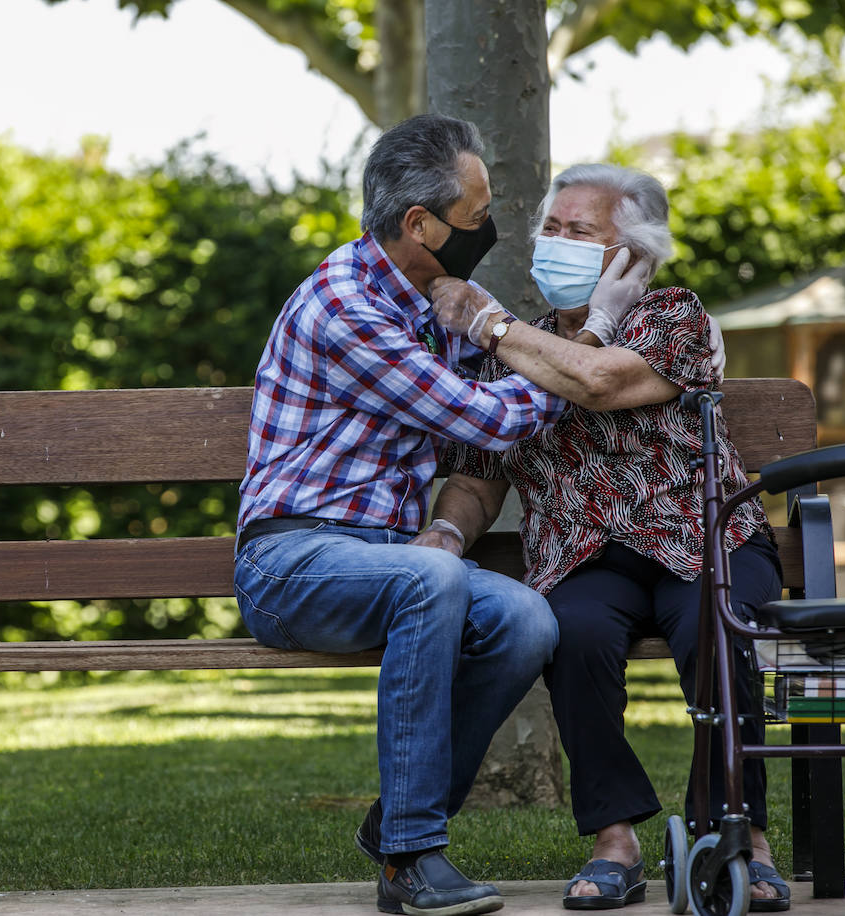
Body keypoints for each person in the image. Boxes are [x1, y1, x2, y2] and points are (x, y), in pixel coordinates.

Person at [233, 114, 621, 916]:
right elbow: (491, 418)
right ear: (420, 225)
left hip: (394, 561)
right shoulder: (346, 305)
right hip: (292, 563)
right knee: (432, 577)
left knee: (525, 621)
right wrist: (520, 341)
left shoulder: (433, 298)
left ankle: (396, 830)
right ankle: (413, 856)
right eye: (477, 218)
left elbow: (515, 356)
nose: (490, 231)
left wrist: (506, 332)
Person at [425, 163, 790, 911]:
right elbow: (476, 478)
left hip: (704, 540)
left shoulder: (669, 315)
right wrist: (444, 534)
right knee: (575, 632)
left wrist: (491, 323)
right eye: (550, 229)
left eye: (579, 232)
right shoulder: (514, 344)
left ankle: (743, 834)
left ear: (631, 253)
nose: (555, 242)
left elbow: (599, 380)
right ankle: (613, 839)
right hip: (584, 552)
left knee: (718, 634)